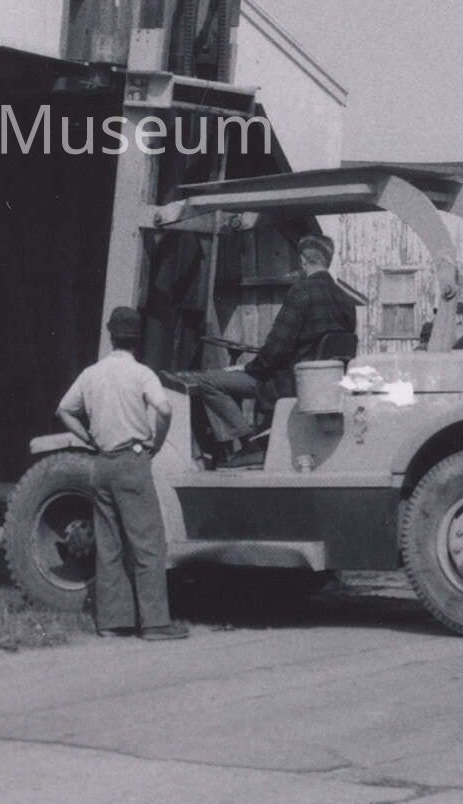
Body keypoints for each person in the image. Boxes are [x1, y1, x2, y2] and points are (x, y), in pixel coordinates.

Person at [54, 306, 189, 640]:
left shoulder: (91, 374)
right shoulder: (142, 373)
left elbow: (64, 410)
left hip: (102, 464)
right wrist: (156, 442)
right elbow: (164, 408)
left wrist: (88, 437)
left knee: (110, 544)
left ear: (111, 335)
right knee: (148, 543)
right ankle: (155, 623)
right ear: (137, 340)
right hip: (133, 460)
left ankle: (113, 622)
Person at [194, 233, 360, 457]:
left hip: (288, 382)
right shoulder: (346, 300)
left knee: (208, 381)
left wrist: (247, 367)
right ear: (327, 260)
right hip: (325, 385)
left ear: (303, 260)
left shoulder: (301, 292)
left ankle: (248, 447)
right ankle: (258, 441)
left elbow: (275, 350)